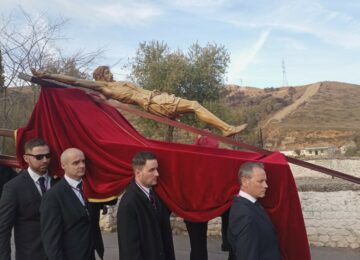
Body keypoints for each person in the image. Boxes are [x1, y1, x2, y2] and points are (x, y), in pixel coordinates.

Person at [31, 66, 247, 136]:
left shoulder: (118, 83)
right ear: (99, 77)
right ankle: (226, 129)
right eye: (106, 72)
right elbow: (74, 80)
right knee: (194, 105)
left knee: (193, 106)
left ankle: (225, 128)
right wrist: (47, 75)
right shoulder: (104, 87)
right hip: (153, 102)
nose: (110, 74)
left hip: (156, 97)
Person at [40, 148, 103, 260]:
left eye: (83, 161)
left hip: (91, 254)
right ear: (63, 165)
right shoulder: (53, 196)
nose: (82, 165)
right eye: (76, 163)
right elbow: (51, 240)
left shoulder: (91, 189)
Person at [0, 138, 57, 260]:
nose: (45, 160)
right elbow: (3, 230)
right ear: (26, 158)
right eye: (39, 157)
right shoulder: (13, 188)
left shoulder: (59, 183)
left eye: (48, 156)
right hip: (30, 255)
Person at [117, 151, 175, 260]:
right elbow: (130, 250)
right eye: (151, 170)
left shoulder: (157, 196)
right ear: (138, 173)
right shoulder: (128, 204)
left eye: (156, 169)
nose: (157, 174)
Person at [184, 126, 230, 260]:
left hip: (196, 202)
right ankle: (227, 243)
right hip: (209, 198)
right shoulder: (216, 153)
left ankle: (227, 243)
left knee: (198, 246)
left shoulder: (193, 155)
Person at [227, 162, 281, 260]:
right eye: (260, 181)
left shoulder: (250, 205)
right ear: (244, 181)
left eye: (265, 181)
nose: (266, 185)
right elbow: (247, 255)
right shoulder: (245, 214)